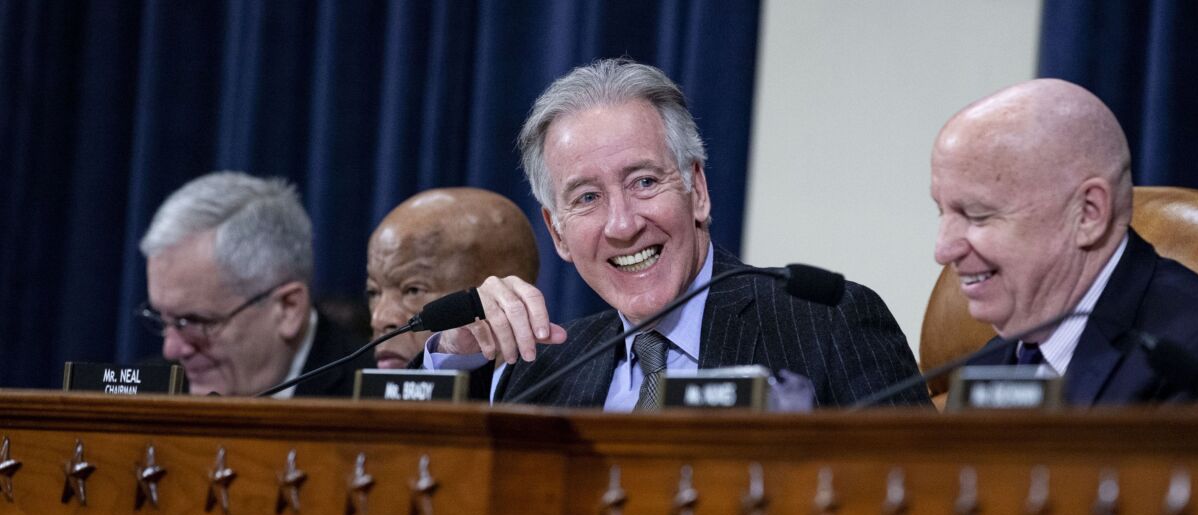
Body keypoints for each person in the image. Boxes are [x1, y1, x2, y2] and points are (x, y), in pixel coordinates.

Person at [426, 58, 928, 409]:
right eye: (587, 198)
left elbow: (923, 505)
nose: (623, 225)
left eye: (644, 181)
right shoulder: (542, 368)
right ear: (557, 233)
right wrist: (458, 354)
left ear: (698, 190)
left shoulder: (826, 324)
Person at [932, 79, 1198, 404]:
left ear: (1088, 213)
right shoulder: (990, 365)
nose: (944, 250)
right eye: (942, 212)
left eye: (978, 215)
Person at [139, 171, 370, 397]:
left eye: (195, 322)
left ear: (288, 308)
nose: (170, 350)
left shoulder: (374, 402)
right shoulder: (143, 395)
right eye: (162, 318)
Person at [365, 188, 539, 371]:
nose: (378, 319)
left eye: (413, 290)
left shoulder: (560, 392)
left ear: (505, 293)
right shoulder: (351, 393)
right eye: (373, 293)